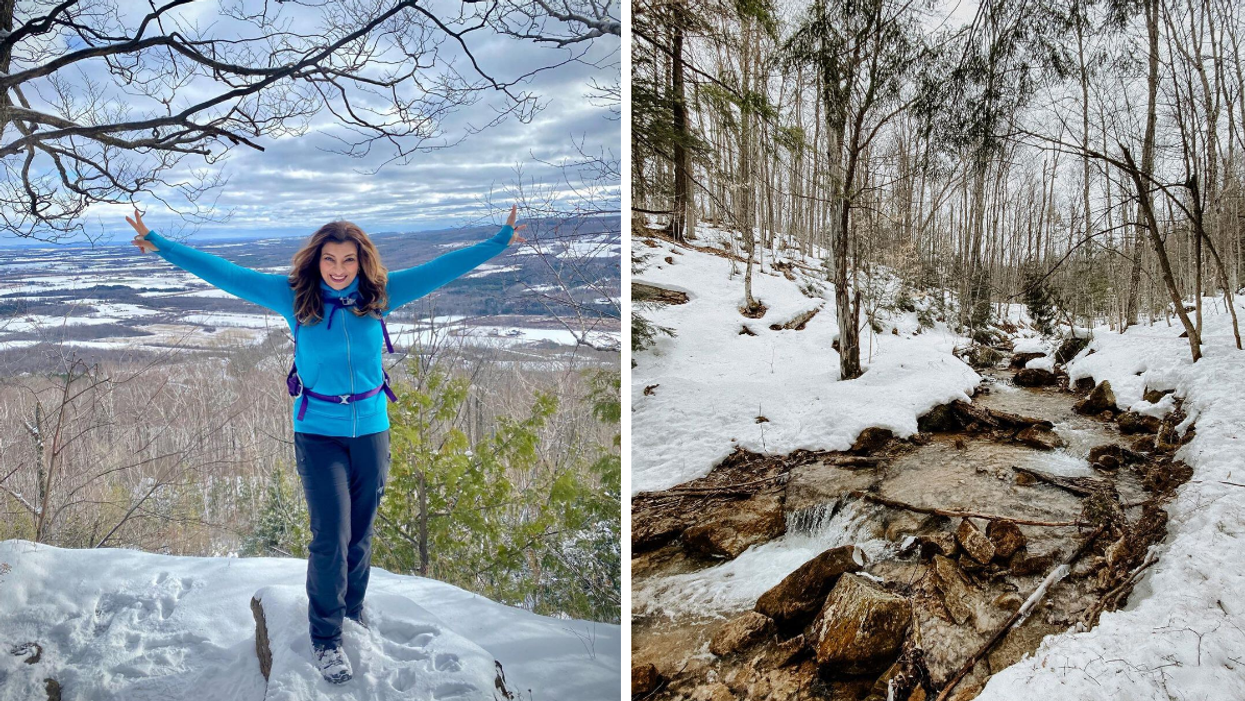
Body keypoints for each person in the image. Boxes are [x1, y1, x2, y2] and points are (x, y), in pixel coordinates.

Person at [126, 207, 525, 684]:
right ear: (317, 261)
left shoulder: (379, 297)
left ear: (362, 263)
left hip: (372, 430)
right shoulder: (295, 298)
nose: (339, 268)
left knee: (359, 534)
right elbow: (227, 273)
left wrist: (498, 242)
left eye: (349, 260)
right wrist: (162, 244)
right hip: (317, 432)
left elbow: (441, 268)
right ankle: (326, 637)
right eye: (331, 259)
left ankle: (352, 611)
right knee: (331, 535)